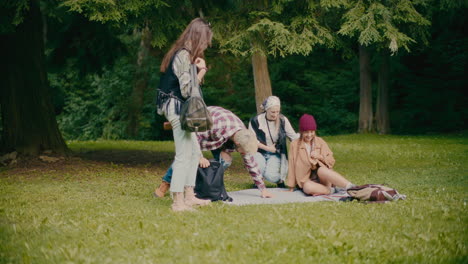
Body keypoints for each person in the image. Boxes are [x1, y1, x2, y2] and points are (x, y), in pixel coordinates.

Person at [155, 18, 213, 212]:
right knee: (183, 155)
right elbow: (188, 90)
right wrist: (202, 70)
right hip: (177, 109)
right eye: (205, 41)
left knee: (193, 153)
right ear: (197, 37)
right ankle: (178, 201)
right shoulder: (183, 56)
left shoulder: (184, 54)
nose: (206, 45)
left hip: (180, 109)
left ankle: (189, 196)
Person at [154, 106, 274, 199]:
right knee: (186, 156)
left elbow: (251, 163)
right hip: (199, 127)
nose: (244, 155)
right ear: (237, 144)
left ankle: (203, 187)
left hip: (222, 138)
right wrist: (199, 157)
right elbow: (193, 138)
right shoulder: (217, 127)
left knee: (225, 161)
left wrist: (262, 189)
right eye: (243, 152)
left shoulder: (244, 136)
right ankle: (164, 185)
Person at [287, 114, 355, 195]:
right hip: (307, 180)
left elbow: (331, 161)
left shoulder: (320, 141)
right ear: (301, 131)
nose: (309, 135)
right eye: (306, 132)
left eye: (312, 131)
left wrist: (320, 156)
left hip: (323, 178)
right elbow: (291, 165)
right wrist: (291, 187)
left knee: (321, 170)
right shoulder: (294, 145)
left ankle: (351, 187)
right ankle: (332, 190)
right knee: (307, 187)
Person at [248, 96, 298, 187]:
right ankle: (258, 182)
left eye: (277, 112)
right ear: (266, 110)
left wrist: (305, 138)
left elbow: (293, 136)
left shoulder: (283, 120)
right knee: (259, 168)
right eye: (273, 112)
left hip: (275, 153)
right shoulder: (255, 121)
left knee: (270, 176)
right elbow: (252, 141)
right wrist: (268, 148)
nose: (275, 114)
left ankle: (279, 181)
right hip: (258, 151)